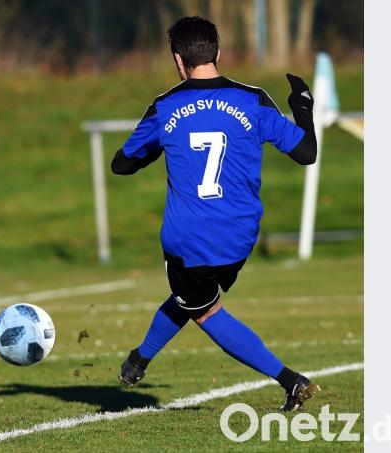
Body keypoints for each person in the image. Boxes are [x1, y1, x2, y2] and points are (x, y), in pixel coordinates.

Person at [112, 16, 319, 412]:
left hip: (189, 237)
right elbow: (306, 153)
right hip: (241, 235)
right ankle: (138, 361)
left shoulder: (165, 106)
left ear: (178, 59)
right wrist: (303, 109)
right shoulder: (253, 98)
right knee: (194, 294)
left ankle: (290, 380)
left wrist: (157, 145)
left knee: (204, 309)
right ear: (218, 52)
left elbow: (122, 164)